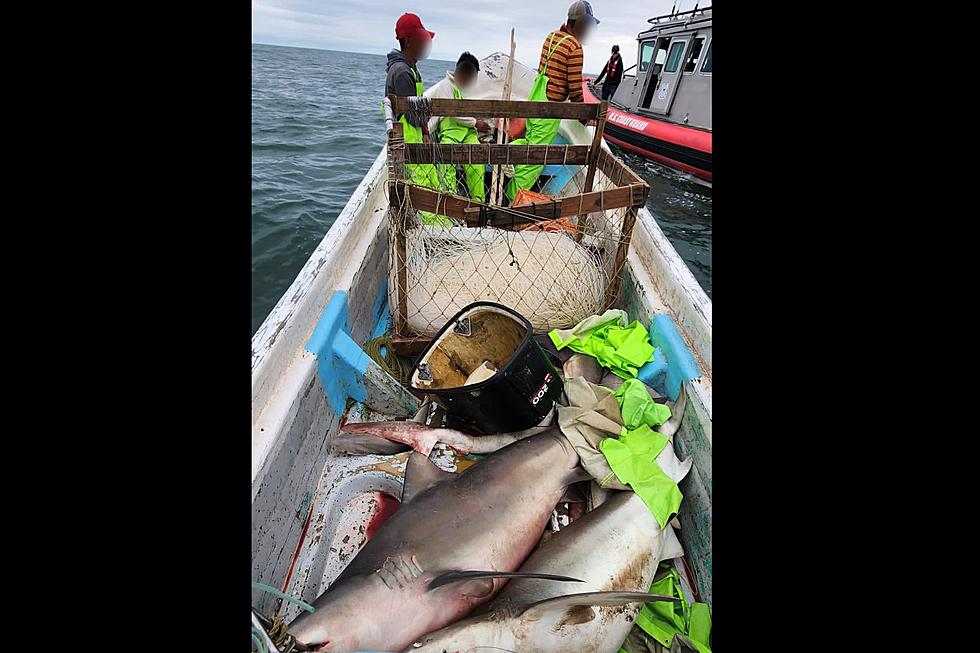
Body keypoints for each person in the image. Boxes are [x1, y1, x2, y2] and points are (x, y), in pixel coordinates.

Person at [506, 1, 599, 202]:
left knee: (530, 141)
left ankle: (506, 156)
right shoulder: (574, 47)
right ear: (580, 23)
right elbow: (575, 89)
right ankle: (511, 202)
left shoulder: (552, 37)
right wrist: (584, 119)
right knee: (535, 160)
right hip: (549, 108)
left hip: (536, 99)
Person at [385, 12, 443, 211]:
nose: (425, 45)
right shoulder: (402, 72)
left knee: (432, 185)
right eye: (421, 39)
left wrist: (426, 132)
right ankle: (434, 232)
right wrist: (428, 114)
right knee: (424, 193)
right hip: (408, 145)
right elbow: (412, 114)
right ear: (409, 41)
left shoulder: (410, 69)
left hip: (417, 139)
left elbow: (416, 110)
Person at [426, 52, 490, 202]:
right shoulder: (445, 86)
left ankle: (478, 202)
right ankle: (449, 200)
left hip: (469, 133)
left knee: (476, 161)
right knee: (446, 162)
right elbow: (453, 113)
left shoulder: (465, 89)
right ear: (461, 73)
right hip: (450, 132)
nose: (470, 81)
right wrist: (476, 123)